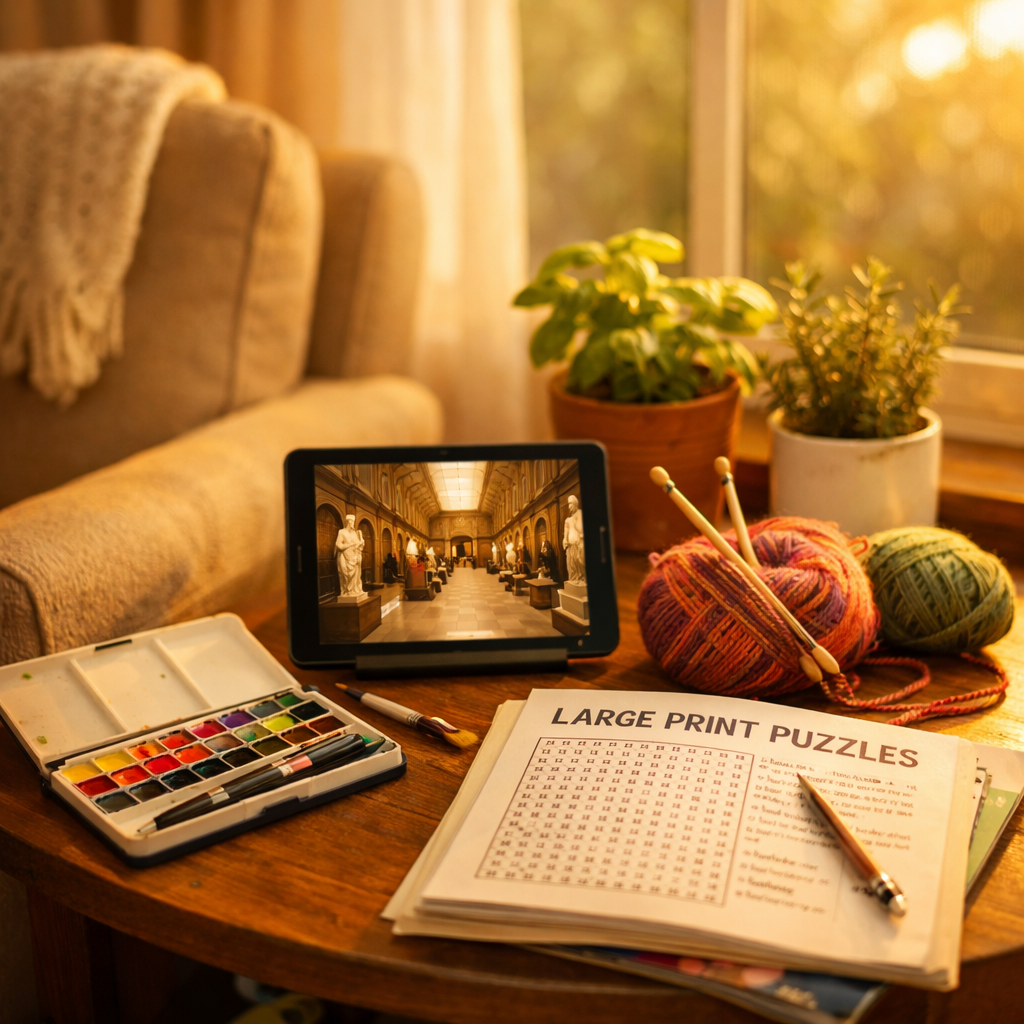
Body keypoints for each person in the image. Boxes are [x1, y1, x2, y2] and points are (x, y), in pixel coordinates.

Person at [335, 515, 365, 596]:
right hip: (346, 557)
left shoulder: (355, 533)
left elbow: (357, 545)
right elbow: (338, 545)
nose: (352, 523)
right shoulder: (342, 532)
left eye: (353, 521)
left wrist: (360, 543)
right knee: (347, 575)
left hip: (355, 557)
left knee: (356, 575)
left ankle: (355, 589)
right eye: (351, 521)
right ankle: (348, 591)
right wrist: (349, 545)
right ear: (347, 522)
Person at [564, 495, 585, 583]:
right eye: (569, 506)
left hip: (578, 545)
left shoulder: (580, 514)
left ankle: (582, 579)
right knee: (571, 566)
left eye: (571, 505)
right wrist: (565, 540)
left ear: (575, 504)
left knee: (580, 564)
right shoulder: (567, 520)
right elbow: (566, 532)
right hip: (570, 547)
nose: (569, 508)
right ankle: (573, 580)